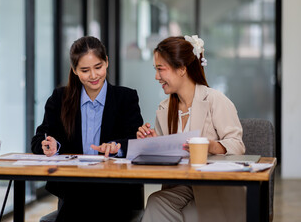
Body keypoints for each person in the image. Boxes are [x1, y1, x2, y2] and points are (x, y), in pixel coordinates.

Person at [31, 36, 144, 221]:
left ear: (107, 62)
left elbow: (136, 141)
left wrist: (117, 147)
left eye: (98, 67)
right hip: (75, 190)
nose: (93, 76)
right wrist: (50, 145)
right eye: (85, 70)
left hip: (115, 190)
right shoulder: (60, 99)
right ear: (75, 70)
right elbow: (38, 140)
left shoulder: (126, 98)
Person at [137, 35, 246, 222]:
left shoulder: (215, 100)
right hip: (181, 188)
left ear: (181, 69)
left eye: (161, 69)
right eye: (155, 70)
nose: (157, 77)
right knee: (156, 202)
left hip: (213, 190)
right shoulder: (164, 109)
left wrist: (210, 146)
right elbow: (168, 160)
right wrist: (154, 144)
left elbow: (237, 146)